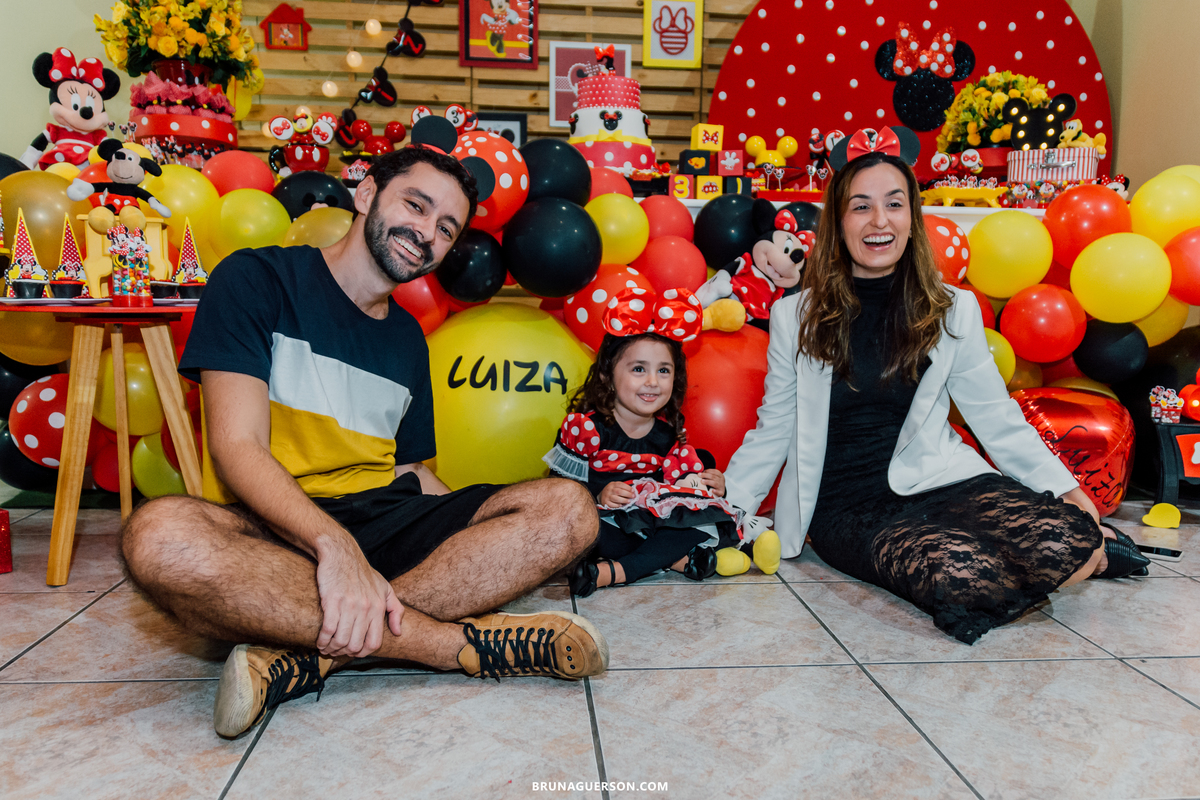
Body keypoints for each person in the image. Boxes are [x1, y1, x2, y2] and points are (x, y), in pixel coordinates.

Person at [118, 144, 609, 741]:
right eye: (417, 205)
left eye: (446, 228)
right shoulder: (255, 279)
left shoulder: (408, 339)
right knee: (160, 535)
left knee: (569, 510)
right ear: (368, 193)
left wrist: (484, 538)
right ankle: (444, 645)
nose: (426, 233)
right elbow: (236, 446)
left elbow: (413, 472)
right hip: (279, 528)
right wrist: (336, 548)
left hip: (384, 515)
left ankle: (312, 653)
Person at [722, 126, 1149, 645]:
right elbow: (775, 427)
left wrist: (1065, 488)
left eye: (894, 204)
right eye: (860, 206)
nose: (879, 221)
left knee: (1066, 539)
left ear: (912, 217)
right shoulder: (796, 316)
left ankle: (1086, 549)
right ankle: (1085, 553)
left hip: (944, 480)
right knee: (960, 575)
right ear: (837, 220)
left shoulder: (953, 309)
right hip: (849, 506)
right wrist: (731, 506)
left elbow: (996, 417)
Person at [545, 288, 779, 596]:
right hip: (604, 523)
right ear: (606, 374)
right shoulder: (586, 428)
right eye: (639, 369)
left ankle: (617, 572)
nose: (653, 381)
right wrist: (598, 493)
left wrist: (710, 484)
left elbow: (681, 491)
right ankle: (675, 560)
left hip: (650, 525)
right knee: (585, 533)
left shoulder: (669, 437)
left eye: (663, 371)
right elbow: (555, 489)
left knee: (705, 516)